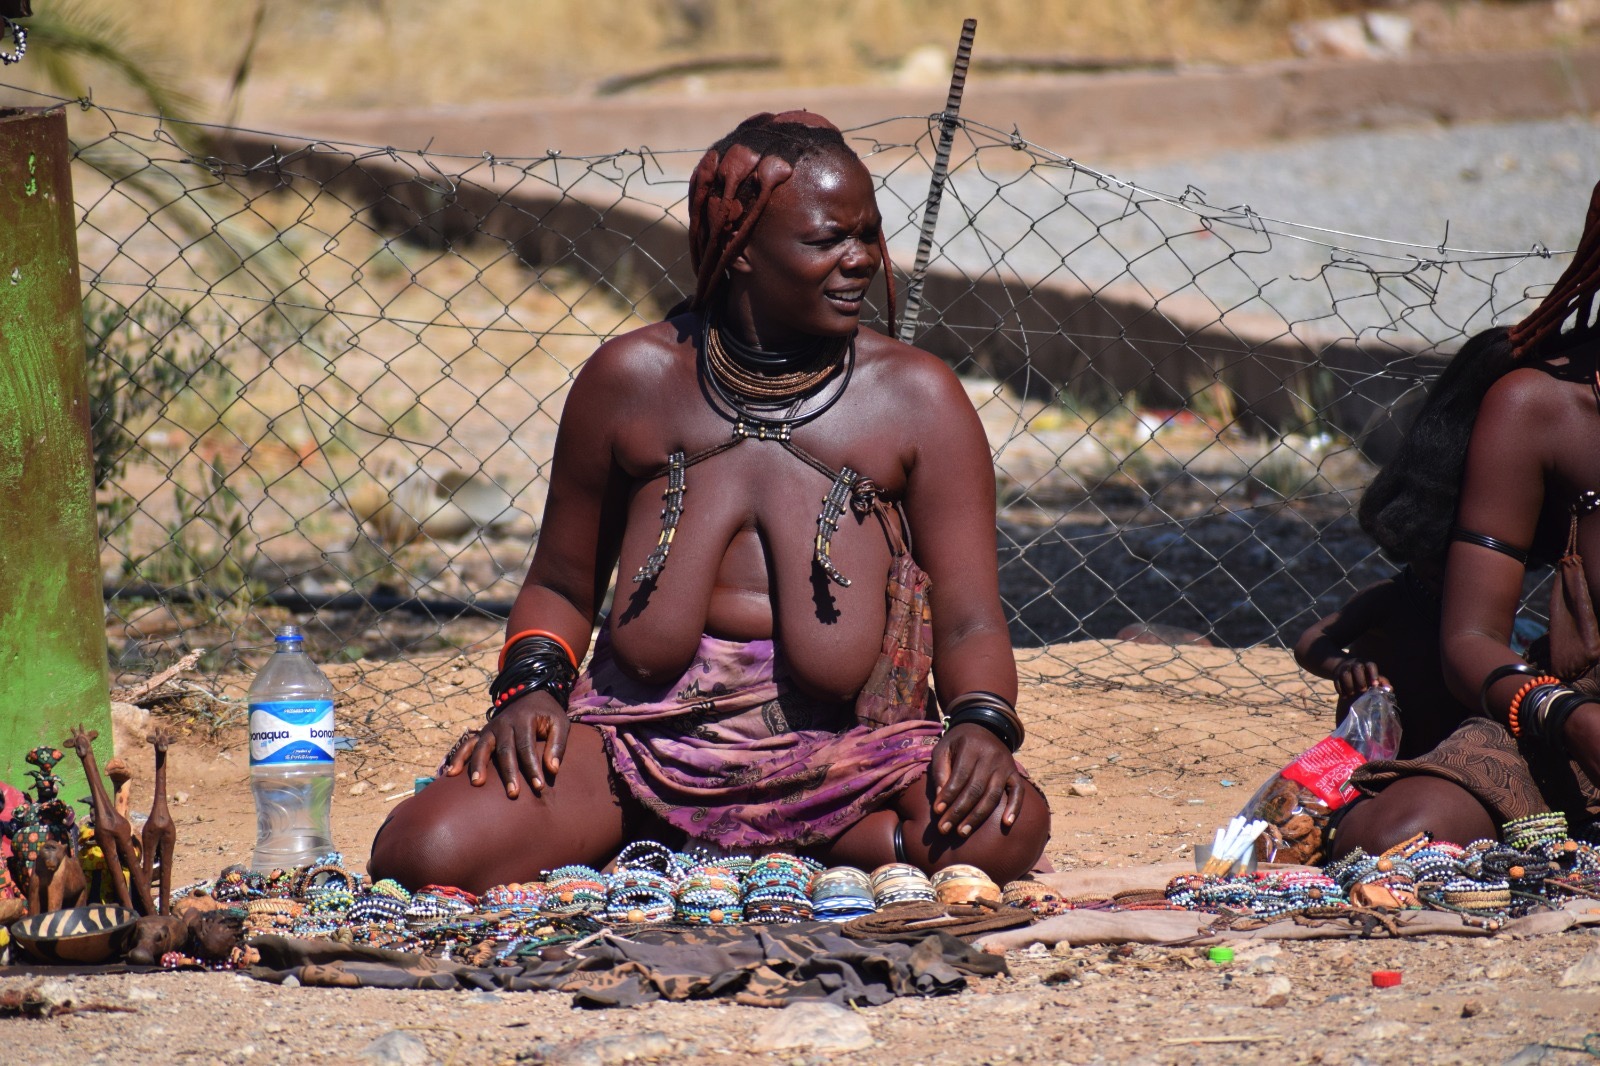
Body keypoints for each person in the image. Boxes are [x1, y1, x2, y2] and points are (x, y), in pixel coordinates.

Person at [368, 111, 1051, 893]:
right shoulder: (632, 381)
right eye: (828, 239)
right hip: (637, 746)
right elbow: (559, 584)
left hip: (849, 756)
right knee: (424, 851)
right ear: (744, 250)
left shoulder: (916, 397)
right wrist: (530, 691)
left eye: (869, 234)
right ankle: (749, 849)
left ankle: (717, 851)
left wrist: (980, 724)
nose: (861, 258)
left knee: (1003, 829)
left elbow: (970, 620)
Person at [1332, 180, 1600, 855]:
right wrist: (1569, 717)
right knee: (1386, 838)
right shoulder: (1542, 408)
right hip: (1585, 710)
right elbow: (1471, 638)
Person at [1293, 328, 1516, 762]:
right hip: (1374, 756)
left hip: (1448, 758)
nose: (1444, 574)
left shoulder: (1492, 614)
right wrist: (1344, 667)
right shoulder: (1393, 599)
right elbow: (1311, 642)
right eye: (1434, 559)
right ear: (1413, 543)